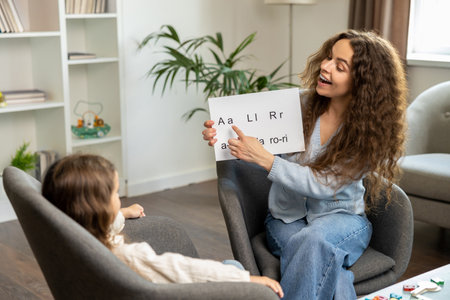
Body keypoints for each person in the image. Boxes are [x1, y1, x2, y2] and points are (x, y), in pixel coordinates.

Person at [202, 30, 407, 299]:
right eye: (329, 57)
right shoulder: (295, 106)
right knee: (324, 262)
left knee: (313, 243)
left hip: (343, 221)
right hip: (285, 220)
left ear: (362, 82)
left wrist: (267, 159)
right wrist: (222, 134)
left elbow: (322, 185)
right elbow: (251, 140)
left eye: (339, 66)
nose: (325, 65)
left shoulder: (368, 133)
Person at [41, 153, 283, 298]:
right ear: (97, 208)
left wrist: (121, 213)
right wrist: (246, 281)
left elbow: (103, 225)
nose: (119, 198)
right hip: (175, 292)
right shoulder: (127, 256)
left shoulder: (73, 236)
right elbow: (183, 270)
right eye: (115, 194)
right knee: (233, 265)